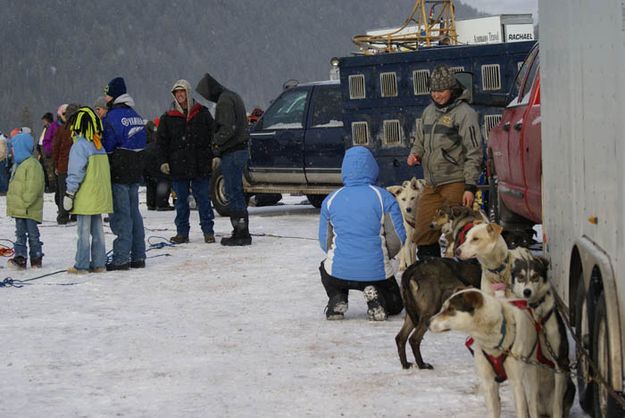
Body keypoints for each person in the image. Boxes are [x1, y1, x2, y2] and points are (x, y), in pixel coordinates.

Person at [318, 146, 406, 321]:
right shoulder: (384, 197)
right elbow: (396, 238)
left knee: (324, 266)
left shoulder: (331, 199)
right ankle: (375, 295)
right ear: (373, 168)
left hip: (338, 271)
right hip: (376, 270)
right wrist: (385, 255)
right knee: (396, 307)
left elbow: (325, 240)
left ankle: (338, 296)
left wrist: (343, 255)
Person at [406, 64, 483, 259]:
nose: (437, 95)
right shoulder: (428, 112)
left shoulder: (465, 113)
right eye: (433, 91)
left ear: (452, 89)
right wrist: (415, 153)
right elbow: (420, 141)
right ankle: (432, 270)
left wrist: (470, 186)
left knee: (459, 231)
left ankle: (466, 274)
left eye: (441, 91)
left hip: (455, 181)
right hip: (432, 185)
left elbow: (474, 151)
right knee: (424, 231)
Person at [196, 73, 251, 246]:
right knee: (236, 191)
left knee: (233, 192)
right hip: (239, 149)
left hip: (232, 151)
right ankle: (241, 230)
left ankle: (240, 232)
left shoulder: (224, 101)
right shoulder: (232, 96)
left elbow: (228, 128)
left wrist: (215, 142)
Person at [157, 79, 215, 243]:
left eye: (182, 91)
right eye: (177, 92)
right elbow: (161, 143)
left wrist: (215, 155)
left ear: (188, 93)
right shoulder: (168, 117)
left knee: (203, 200)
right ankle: (182, 233)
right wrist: (163, 161)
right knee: (181, 202)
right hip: (178, 166)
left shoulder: (202, 113)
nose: (180, 95)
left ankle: (208, 232)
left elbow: (213, 136)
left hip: (200, 164)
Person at [102, 76, 147, 270]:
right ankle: (138, 255)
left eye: (107, 94)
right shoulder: (135, 115)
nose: (105, 99)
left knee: (121, 215)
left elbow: (108, 146)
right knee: (134, 213)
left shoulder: (112, 117)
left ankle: (121, 257)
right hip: (136, 169)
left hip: (119, 169)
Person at [63, 107, 113, 274]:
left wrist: (70, 193)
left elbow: (75, 172)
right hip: (98, 197)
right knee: (98, 232)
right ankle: (99, 264)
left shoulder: (80, 146)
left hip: (86, 197)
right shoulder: (99, 146)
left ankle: (82, 265)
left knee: (83, 233)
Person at [6, 132, 45, 270]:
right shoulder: (18, 164)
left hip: (29, 208)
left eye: (14, 148)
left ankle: (36, 256)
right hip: (19, 209)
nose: (12, 150)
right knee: (20, 233)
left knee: (33, 234)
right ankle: (20, 257)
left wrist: (26, 202)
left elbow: (33, 186)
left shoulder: (32, 165)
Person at [52, 103, 80, 224]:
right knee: (77, 190)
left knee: (64, 192)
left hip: (64, 165)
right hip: (78, 166)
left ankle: (63, 215)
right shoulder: (81, 130)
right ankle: (75, 213)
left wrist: (56, 165)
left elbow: (55, 149)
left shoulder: (61, 130)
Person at [143, 118, 173, 211]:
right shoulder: (163, 134)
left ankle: (151, 203)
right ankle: (162, 204)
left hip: (146, 156)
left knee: (150, 182)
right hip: (157, 156)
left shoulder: (147, 132)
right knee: (163, 180)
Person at [39, 112, 57, 193]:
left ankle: (52, 186)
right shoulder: (45, 128)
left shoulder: (51, 127)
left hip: (48, 151)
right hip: (43, 151)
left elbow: (50, 139)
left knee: (50, 169)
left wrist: (49, 150)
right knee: (46, 168)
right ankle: (48, 185)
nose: (43, 122)